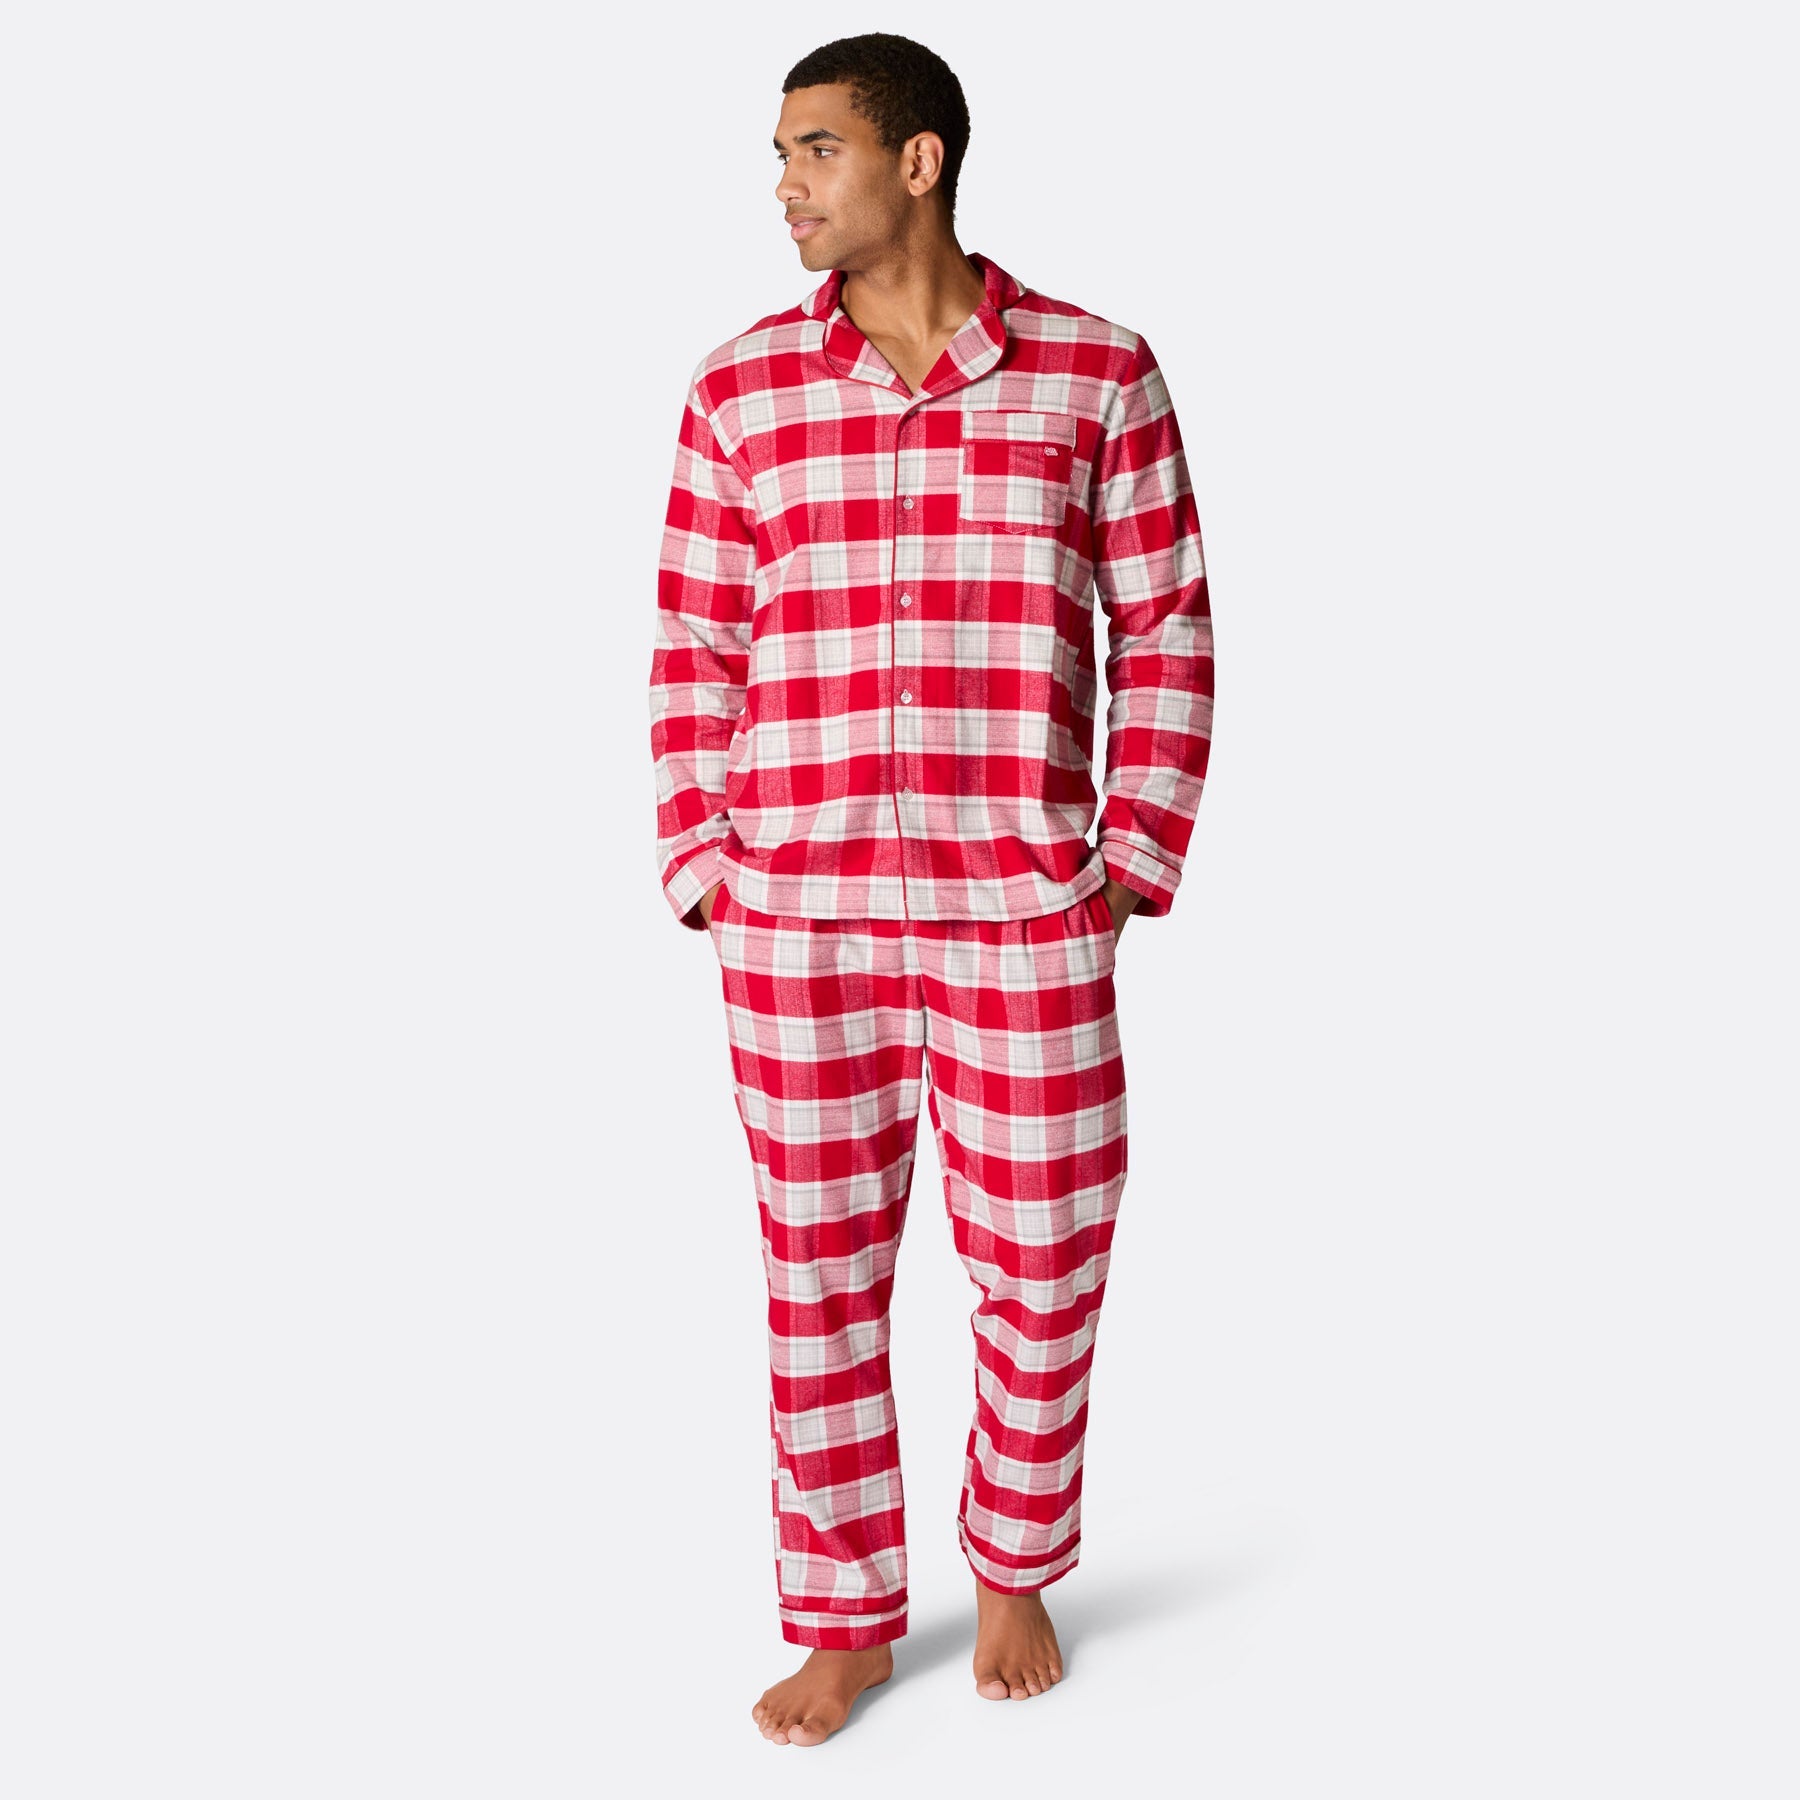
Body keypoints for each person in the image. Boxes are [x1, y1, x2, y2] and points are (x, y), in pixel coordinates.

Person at [647, 30, 1214, 1748]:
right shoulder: (740, 389)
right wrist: (704, 868)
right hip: (796, 918)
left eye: (813, 149)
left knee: (1046, 1258)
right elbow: (693, 643)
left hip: (1021, 915)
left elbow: (1166, 621)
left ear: (919, 160)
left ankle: (1016, 1564)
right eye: (778, 154)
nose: (784, 186)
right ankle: (843, 1618)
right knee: (816, 1272)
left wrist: (1126, 864)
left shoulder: (1098, 373)